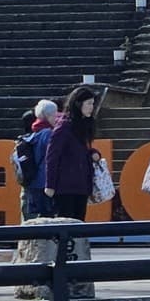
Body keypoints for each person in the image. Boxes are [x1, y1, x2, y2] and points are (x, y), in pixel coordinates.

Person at [42, 86, 98, 220]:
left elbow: (80, 150)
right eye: (89, 103)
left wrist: (93, 153)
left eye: (92, 104)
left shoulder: (84, 125)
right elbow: (52, 156)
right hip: (65, 187)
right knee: (65, 224)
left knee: (79, 224)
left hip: (81, 185)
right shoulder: (64, 126)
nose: (92, 107)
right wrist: (50, 185)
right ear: (78, 104)